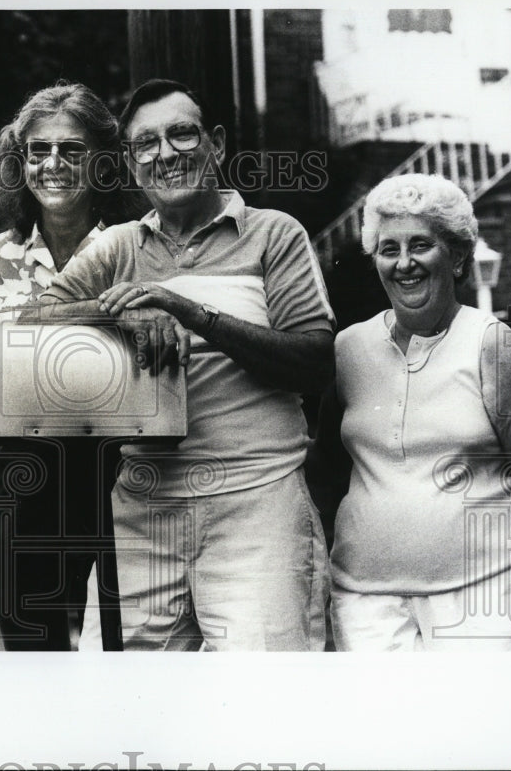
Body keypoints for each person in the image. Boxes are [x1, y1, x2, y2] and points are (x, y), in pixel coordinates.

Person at [30, 79, 335, 651]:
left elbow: (316, 362)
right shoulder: (120, 247)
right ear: (130, 161)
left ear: (214, 143)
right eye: (145, 143)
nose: (165, 154)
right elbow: (27, 322)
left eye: (181, 134)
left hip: (256, 502)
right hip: (144, 509)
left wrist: (187, 310)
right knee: (120, 706)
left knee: (262, 706)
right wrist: (116, 312)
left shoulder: (273, 234)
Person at [314, 173, 511, 651]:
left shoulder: (489, 340)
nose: (404, 263)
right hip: (366, 602)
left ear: (457, 257)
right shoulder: (349, 347)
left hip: (482, 595)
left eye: (421, 245)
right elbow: (326, 464)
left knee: (485, 727)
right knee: (383, 728)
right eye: (388, 249)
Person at [0, 82, 120, 650]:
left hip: (117, 478)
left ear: (102, 159)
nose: (53, 164)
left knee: (118, 647)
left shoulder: (134, 247)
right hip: (17, 481)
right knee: (34, 652)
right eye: (37, 150)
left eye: (72, 150)